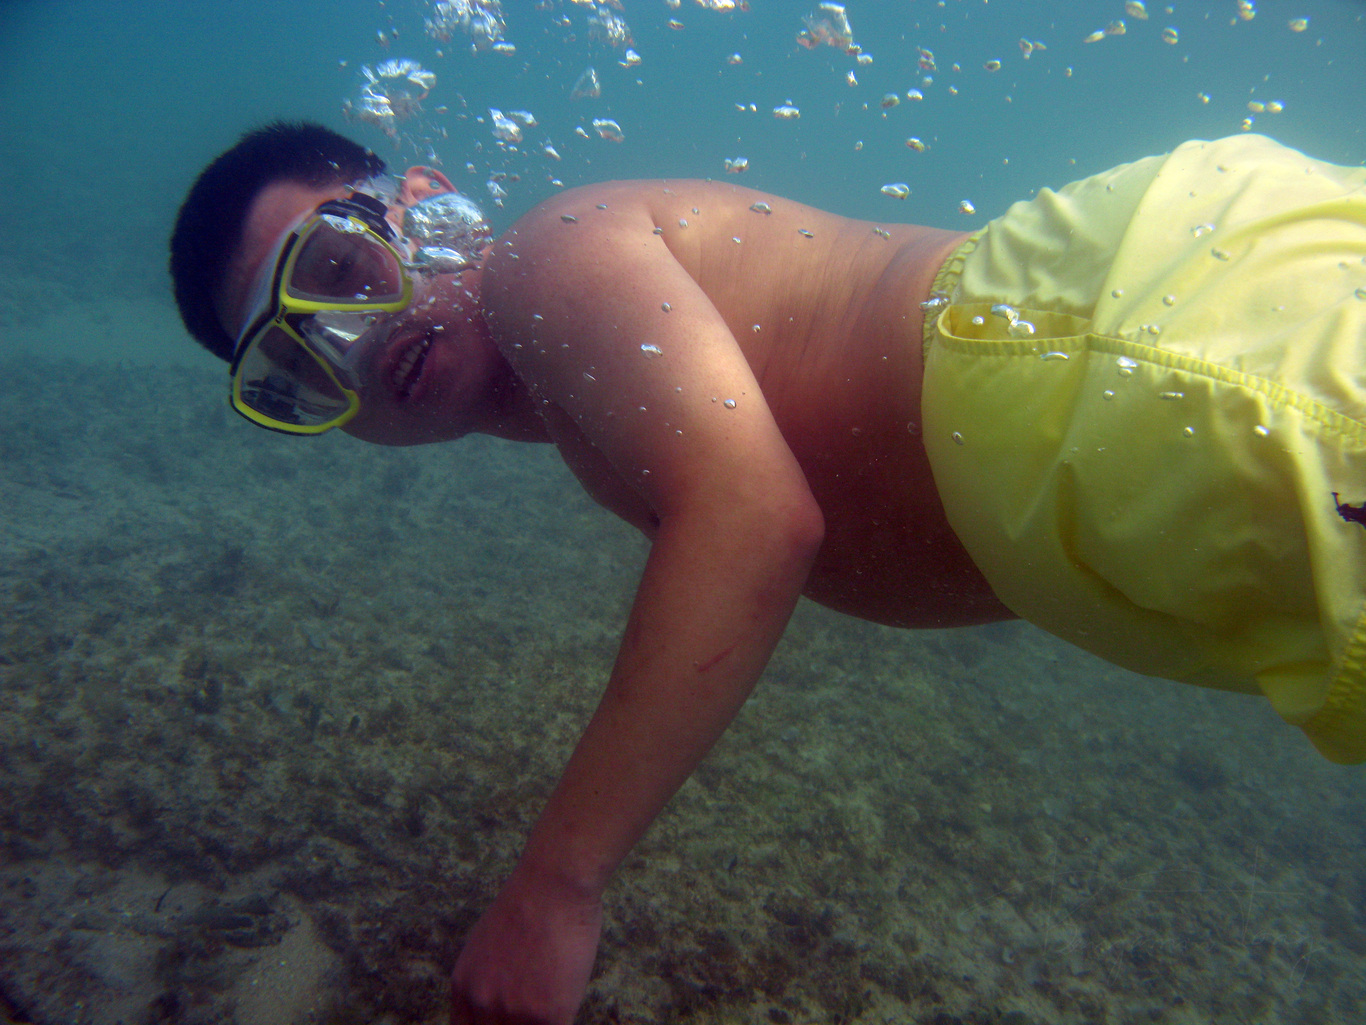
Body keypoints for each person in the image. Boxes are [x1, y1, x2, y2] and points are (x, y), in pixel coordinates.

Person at [170, 121, 1366, 1023]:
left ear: (426, 201)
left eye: (339, 269)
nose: (361, 339)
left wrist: (554, 886)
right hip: (1139, 356)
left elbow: (751, 519)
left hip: (1122, 350)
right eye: (296, 363)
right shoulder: (588, 397)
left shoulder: (544, 260)